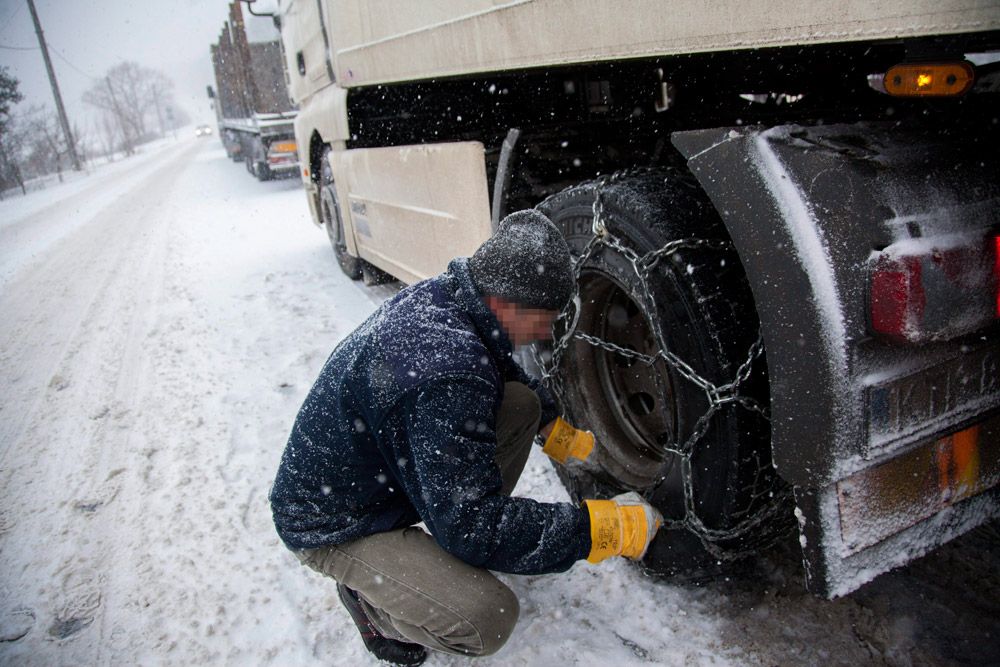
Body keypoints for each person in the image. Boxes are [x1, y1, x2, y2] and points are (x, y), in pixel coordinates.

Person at [270, 210, 663, 665]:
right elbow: (472, 528)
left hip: (377, 475)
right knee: (487, 617)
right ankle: (376, 606)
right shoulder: (447, 374)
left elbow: (492, 364)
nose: (547, 333)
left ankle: (436, 544)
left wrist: (548, 422)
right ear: (509, 303)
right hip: (332, 520)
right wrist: (601, 530)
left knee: (520, 404)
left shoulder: (457, 298)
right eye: (547, 318)